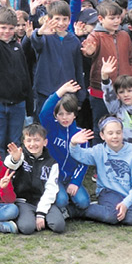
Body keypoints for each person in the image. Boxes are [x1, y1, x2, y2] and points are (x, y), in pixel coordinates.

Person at [70, 116, 132, 226]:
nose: (115, 136)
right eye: (110, 133)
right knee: (112, 216)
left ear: (122, 133)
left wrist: (125, 204)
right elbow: (79, 155)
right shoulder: (99, 151)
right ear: (102, 135)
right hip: (108, 192)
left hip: (128, 194)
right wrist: (73, 144)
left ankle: (104, 209)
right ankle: (77, 210)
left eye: (118, 132)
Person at [0, 8, 31, 153]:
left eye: (10, 28)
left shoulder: (17, 46)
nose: (6, 31)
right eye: (3, 27)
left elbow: (24, 74)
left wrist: (27, 100)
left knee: (14, 141)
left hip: (17, 103)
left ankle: (13, 172)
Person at [38, 81, 92, 216]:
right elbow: (44, 113)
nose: (64, 117)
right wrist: (59, 92)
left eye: (68, 113)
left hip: (71, 177)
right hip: (54, 177)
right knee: (61, 200)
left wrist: (75, 182)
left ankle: (68, 209)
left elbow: (84, 162)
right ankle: (61, 207)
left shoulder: (81, 134)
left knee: (84, 202)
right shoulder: (51, 128)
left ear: (75, 114)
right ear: (56, 115)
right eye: (60, 114)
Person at [3, 125, 66, 235]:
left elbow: (51, 189)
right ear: (24, 142)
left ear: (45, 142)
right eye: (29, 140)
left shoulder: (52, 163)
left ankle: (45, 216)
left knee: (59, 226)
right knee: (27, 228)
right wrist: (15, 159)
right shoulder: (20, 156)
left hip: (42, 200)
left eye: (37, 140)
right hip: (24, 201)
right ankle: (28, 217)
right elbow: (9, 165)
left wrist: (41, 213)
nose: (32, 144)